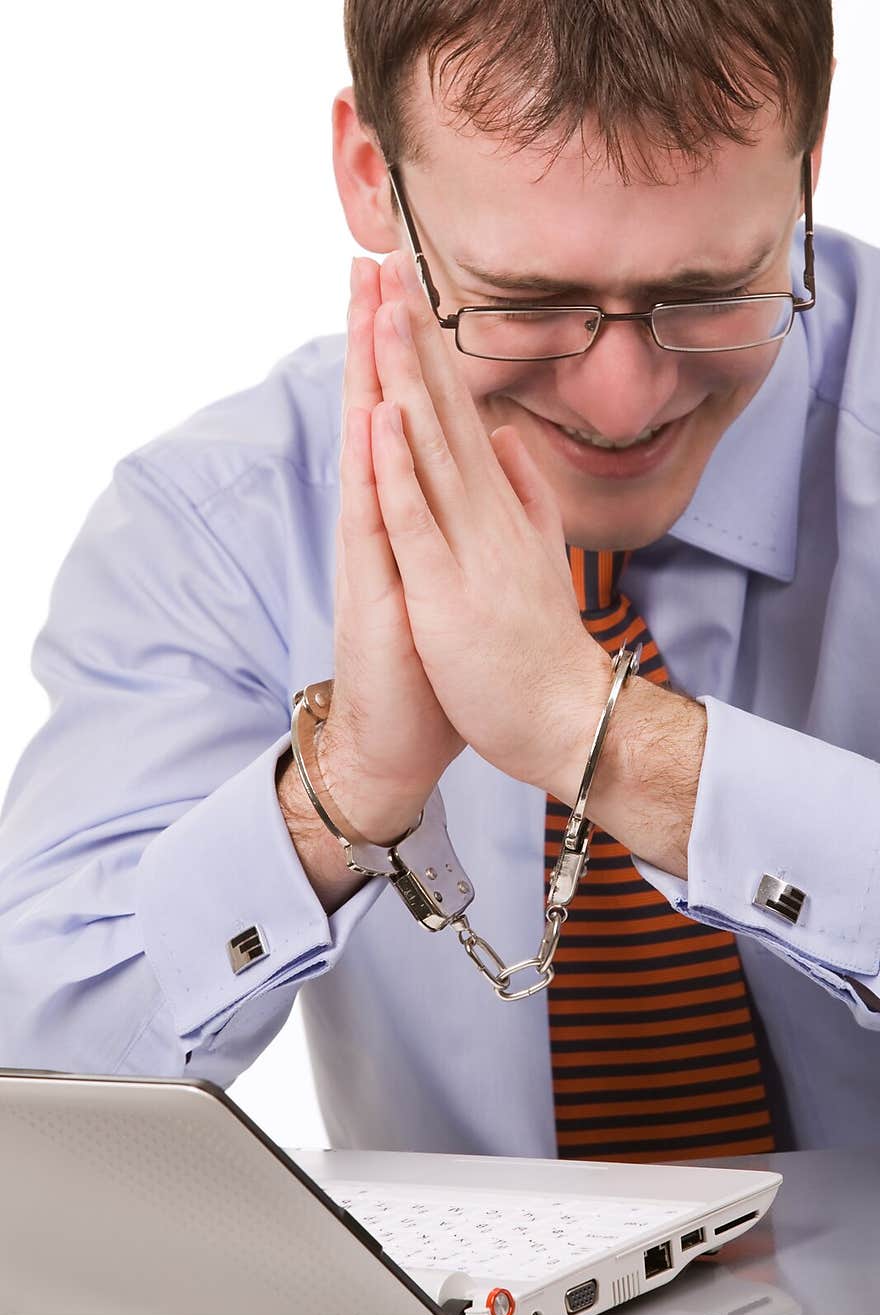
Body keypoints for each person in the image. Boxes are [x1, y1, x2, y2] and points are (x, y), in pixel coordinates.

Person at [1, 0, 877, 1163]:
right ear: (371, 177)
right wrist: (345, 784)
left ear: (807, 174)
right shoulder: (218, 525)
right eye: (524, 301)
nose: (621, 402)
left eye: (707, 289)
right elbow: (34, 1085)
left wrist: (598, 736)